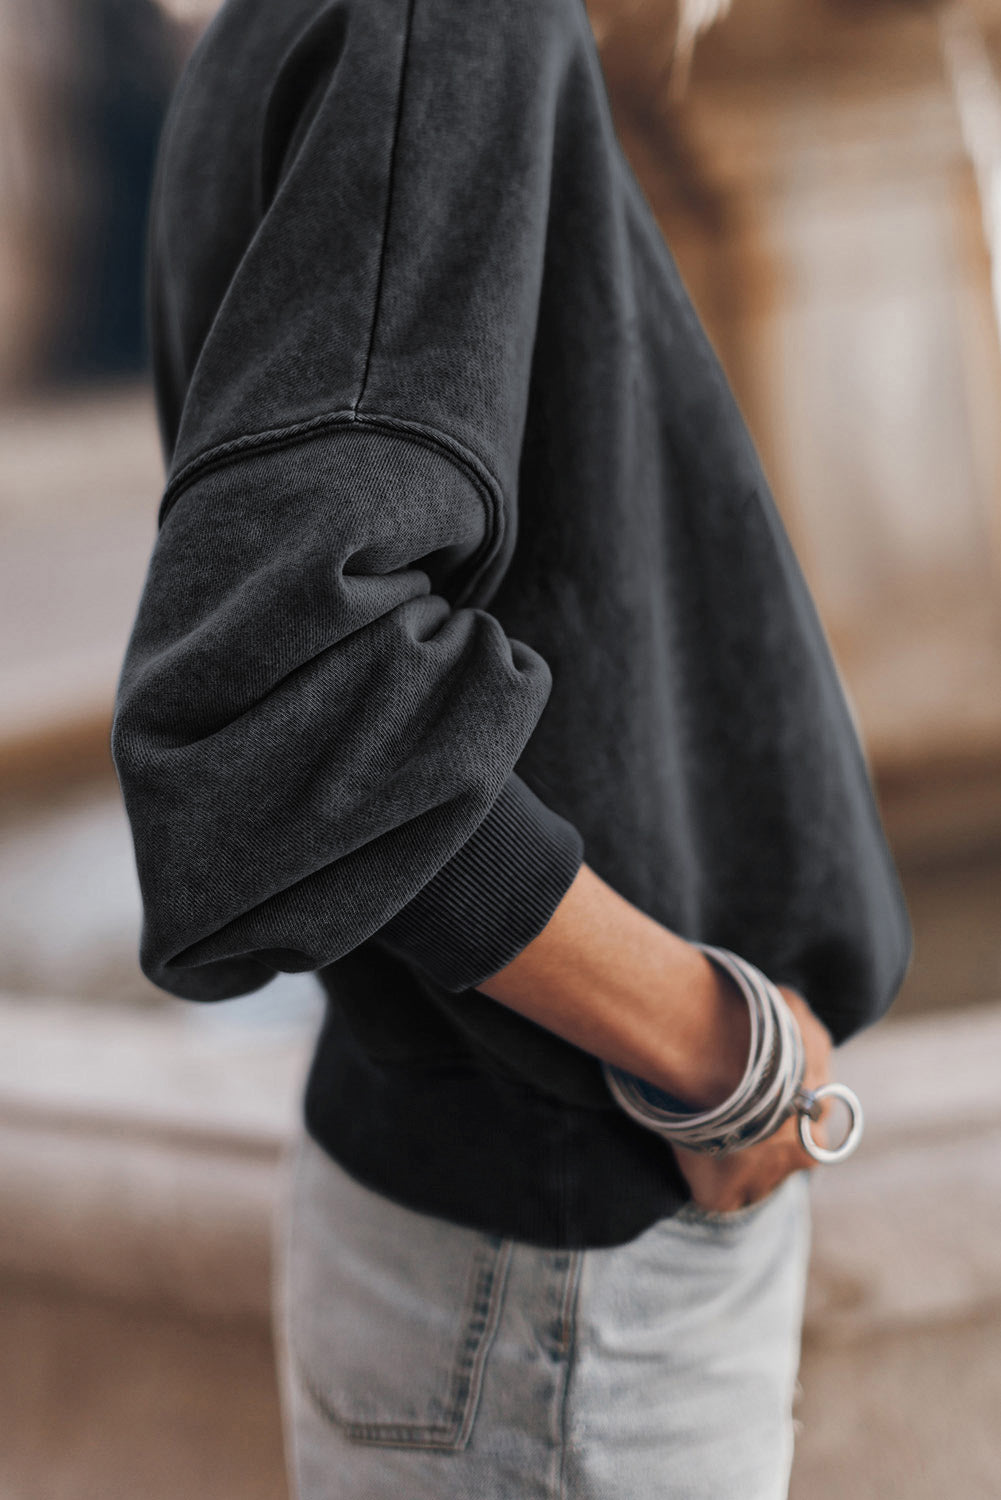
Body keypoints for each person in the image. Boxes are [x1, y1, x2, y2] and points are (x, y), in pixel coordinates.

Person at [111, 0, 913, 1495]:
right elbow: (294, 680)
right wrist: (717, 1050)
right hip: (568, 1256)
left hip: (501, 1239)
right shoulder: (447, 16)